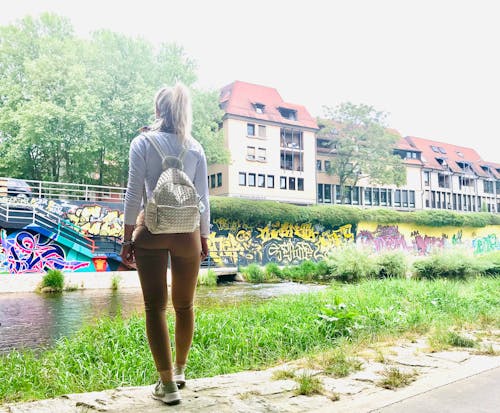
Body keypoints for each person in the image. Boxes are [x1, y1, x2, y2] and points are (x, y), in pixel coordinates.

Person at [121, 82, 210, 405]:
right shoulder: (195, 147)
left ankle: (167, 385)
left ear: (158, 111)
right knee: (185, 306)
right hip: (188, 233)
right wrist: (204, 237)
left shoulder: (142, 142)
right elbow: (203, 199)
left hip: (152, 232)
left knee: (155, 308)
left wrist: (127, 237)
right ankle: (182, 370)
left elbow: (133, 196)